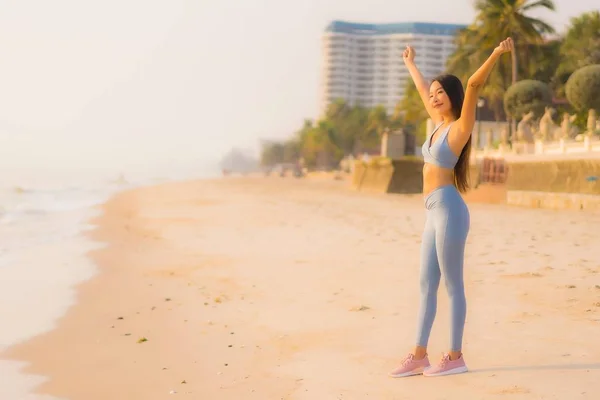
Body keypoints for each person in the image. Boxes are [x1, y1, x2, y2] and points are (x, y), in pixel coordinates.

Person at [390, 37, 514, 378]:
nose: (433, 97)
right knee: (426, 284)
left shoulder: (460, 127)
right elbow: (418, 88)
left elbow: (474, 83)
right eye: (432, 94)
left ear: (453, 96)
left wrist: (495, 53)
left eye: (440, 92)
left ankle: (455, 356)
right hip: (432, 212)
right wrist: (410, 63)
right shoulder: (437, 125)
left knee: (453, 284)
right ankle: (418, 354)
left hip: (449, 209)